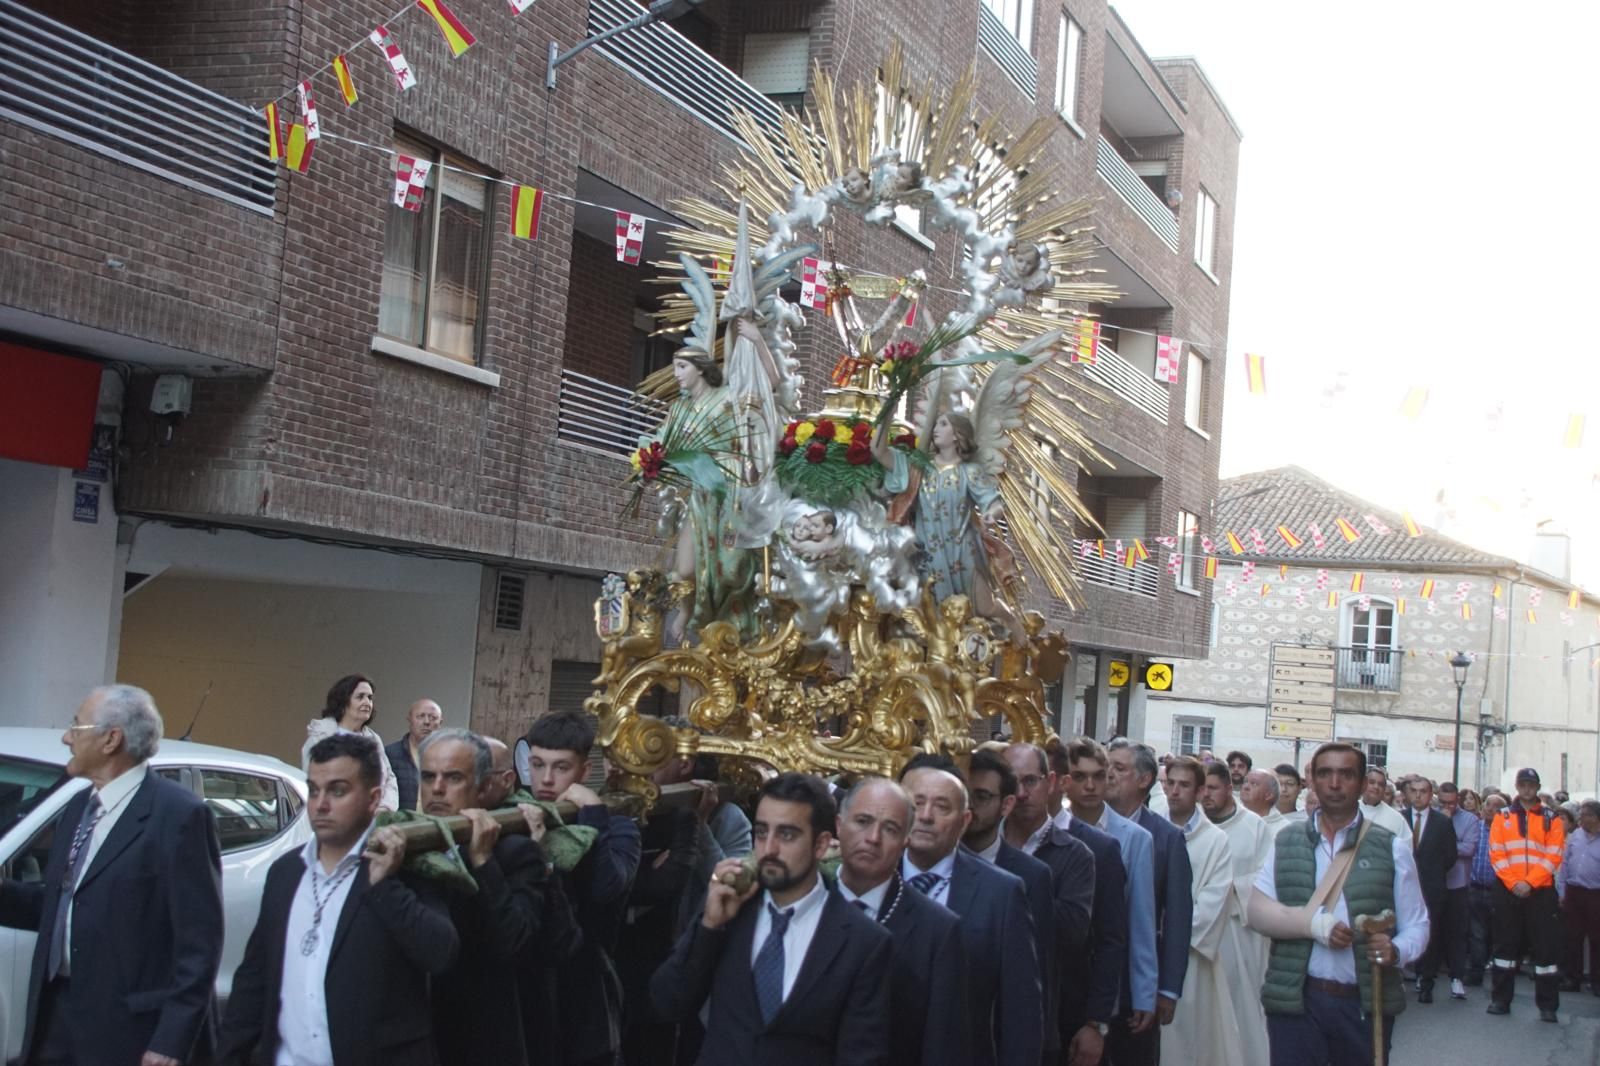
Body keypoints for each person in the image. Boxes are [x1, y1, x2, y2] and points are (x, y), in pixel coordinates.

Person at [0, 685, 223, 1066]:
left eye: (76, 726)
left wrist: (170, 1041)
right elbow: (64, 907)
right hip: (58, 1016)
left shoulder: (179, 816)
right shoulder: (78, 807)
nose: (66, 737)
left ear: (110, 739)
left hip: (129, 1030)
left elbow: (199, 944)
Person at [216, 733, 459, 1066]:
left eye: (338, 790)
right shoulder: (285, 873)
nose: (321, 804)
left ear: (374, 799)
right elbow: (254, 978)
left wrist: (383, 886)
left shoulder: (407, 868)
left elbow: (440, 953)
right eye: (314, 790)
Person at [650, 773, 893, 1064]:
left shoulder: (864, 941)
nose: (770, 849)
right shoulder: (728, 909)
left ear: (821, 844)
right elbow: (668, 1003)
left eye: (787, 835)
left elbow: (862, 1055)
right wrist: (709, 928)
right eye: (762, 832)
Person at [1248, 742, 1430, 1066]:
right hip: (1296, 1002)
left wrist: (1397, 950)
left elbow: (1418, 923)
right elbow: (1258, 912)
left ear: (1362, 784)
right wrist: (1315, 926)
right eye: (1325, 774)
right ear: (1313, 782)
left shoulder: (1392, 847)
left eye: (1345, 774)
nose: (1334, 784)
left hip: (1362, 1004)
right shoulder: (1286, 841)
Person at [420, 728, 553, 1066]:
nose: (436, 788)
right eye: (428, 776)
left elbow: (515, 943)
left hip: (478, 1040)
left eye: (452, 777)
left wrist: (483, 862)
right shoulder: (405, 852)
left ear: (482, 788)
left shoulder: (515, 854)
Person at [902, 765, 1042, 1066]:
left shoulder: (1001, 893)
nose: (925, 816)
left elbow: (1021, 1011)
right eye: (916, 803)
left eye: (941, 807)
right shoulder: (866, 878)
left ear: (964, 820)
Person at [526, 710, 643, 1066]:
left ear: (582, 772)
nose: (546, 779)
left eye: (560, 767)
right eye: (537, 764)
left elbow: (607, 890)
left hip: (585, 992)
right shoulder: (518, 814)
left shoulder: (619, 827)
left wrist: (593, 814)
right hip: (528, 991)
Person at [836, 777, 970, 1066]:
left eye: (890, 829)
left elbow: (941, 1045)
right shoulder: (808, 901)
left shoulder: (938, 929)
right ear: (838, 825)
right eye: (862, 821)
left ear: (906, 839)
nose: (873, 838)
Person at [991, 745, 1095, 1064]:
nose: (1021, 793)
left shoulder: (1076, 856)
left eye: (1031, 781)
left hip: (1043, 1012)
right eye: (1012, 782)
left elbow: (1070, 932)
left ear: (1050, 782)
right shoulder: (977, 845)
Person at [1059, 738, 1155, 1066]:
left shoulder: (1133, 838)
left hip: (1107, 978)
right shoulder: (1049, 832)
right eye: (1080, 776)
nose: (1090, 785)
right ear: (1063, 780)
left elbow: (1139, 921)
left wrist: (1145, 992)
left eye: (1099, 776)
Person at [962, 750, 1057, 1054]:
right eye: (964, 796)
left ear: (1006, 804)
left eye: (982, 796)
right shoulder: (933, 864)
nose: (971, 807)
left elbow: (1033, 980)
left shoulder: (1030, 876)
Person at [1040, 742, 1128, 1066]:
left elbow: (1111, 939)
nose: (1024, 791)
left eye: (1035, 779)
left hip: (1070, 1009)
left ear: (1057, 782)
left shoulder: (1098, 849)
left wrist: (1096, 1022)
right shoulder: (1001, 840)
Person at [1107, 739, 1195, 1060]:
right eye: (1107, 767)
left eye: (1119, 768)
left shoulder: (1166, 838)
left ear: (1144, 780)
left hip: (1137, 982)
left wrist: (1167, 989)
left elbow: (1177, 918)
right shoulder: (1083, 826)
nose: (1109, 775)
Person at [1162, 756, 1244, 1066]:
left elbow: (1214, 902)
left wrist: (1168, 936)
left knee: (1186, 1045)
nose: (1174, 791)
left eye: (1184, 785)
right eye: (1170, 783)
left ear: (1198, 792)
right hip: (1148, 952)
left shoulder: (1215, 841)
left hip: (1190, 958)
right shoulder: (1151, 829)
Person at [1487, 767, 1566, 1021]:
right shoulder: (1503, 816)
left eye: (1531, 784)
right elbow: (1496, 853)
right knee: (1505, 949)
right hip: (1508, 890)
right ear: (1517, 786)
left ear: (1537, 787)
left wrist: (1529, 883)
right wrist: (1514, 884)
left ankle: (1547, 1007)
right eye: (1522, 783)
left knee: (1545, 952)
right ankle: (1500, 1000)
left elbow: (1554, 855)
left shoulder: (1551, 818)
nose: (1526, 788)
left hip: (1540, 892)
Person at [301, 674, 399, 810]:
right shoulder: (321, 735)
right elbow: (311, 782)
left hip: (372, 822)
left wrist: (384, 808)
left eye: (370, 698)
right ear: (343, 702)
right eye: (360, 697)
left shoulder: (374, 739)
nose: (367, 702)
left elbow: (389, 779)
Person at [1401, 776, 1458, 1003]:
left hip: (1432, 887)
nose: (1417, 795)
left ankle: (1427, 983)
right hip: (1404, 887)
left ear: (1430, 794)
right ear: (1407, 793)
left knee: (1430, 937)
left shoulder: (1442, 822)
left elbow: (1450, 856)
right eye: (1413, 791)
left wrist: (1433, 873)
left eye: (1423, 791)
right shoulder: (1399, 819)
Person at [1438, 781, 1479, 999]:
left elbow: (1469, 848)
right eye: (1444, 802)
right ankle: (1424, 976)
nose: (1448, 807)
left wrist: (1443, 843)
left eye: (1452, 803)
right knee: (1432, 931)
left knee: (1457, 934)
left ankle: (1456, 978)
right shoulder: (1432, 816)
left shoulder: (1469, 820)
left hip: (1458, 884)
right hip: (1435, 883)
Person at [1559, 799, 1600, 993]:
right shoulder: (1575, 835)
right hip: (1574, 891)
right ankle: (1571, 978)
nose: (1580, 818)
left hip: (1595, 894)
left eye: (1585, 815)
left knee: (1596, 939)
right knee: (1572, 937)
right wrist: (1562, 891)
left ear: (1595, 818)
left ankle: (1597, 981)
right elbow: (1565, 864)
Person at [1466, 793, 1507, 986]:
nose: (1489, 809)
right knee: (1476, 932)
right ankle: (1476, 971)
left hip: (1496, 889)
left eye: (1495, 806)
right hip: (1475, 887)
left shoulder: (1506, 831)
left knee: (1498, 933)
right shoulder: (1476, 827)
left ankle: (1499, 972)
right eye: (1488, 804)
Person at [384, 698, 442, 811]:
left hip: (435, 824)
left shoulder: (448, 757)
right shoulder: (389, 754)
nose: (426, 722)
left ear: (440, 723)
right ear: (409, 720)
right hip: (402, 824)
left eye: (433, 718)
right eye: (421, 716)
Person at [1358, 767, 1409, 837]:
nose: (1376, 787)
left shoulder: (1396, 818)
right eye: (1372, 782)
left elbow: (1404, 846)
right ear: (1363, 784)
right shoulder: (1348, 810)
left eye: (1380, 784)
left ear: (1384, 789)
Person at [1242, 769, 1288, 835]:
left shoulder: (1284, 830)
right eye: (1245, 782)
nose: (1245, 787)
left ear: (1269, 795)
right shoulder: (1232, 820)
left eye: (1254, 784)